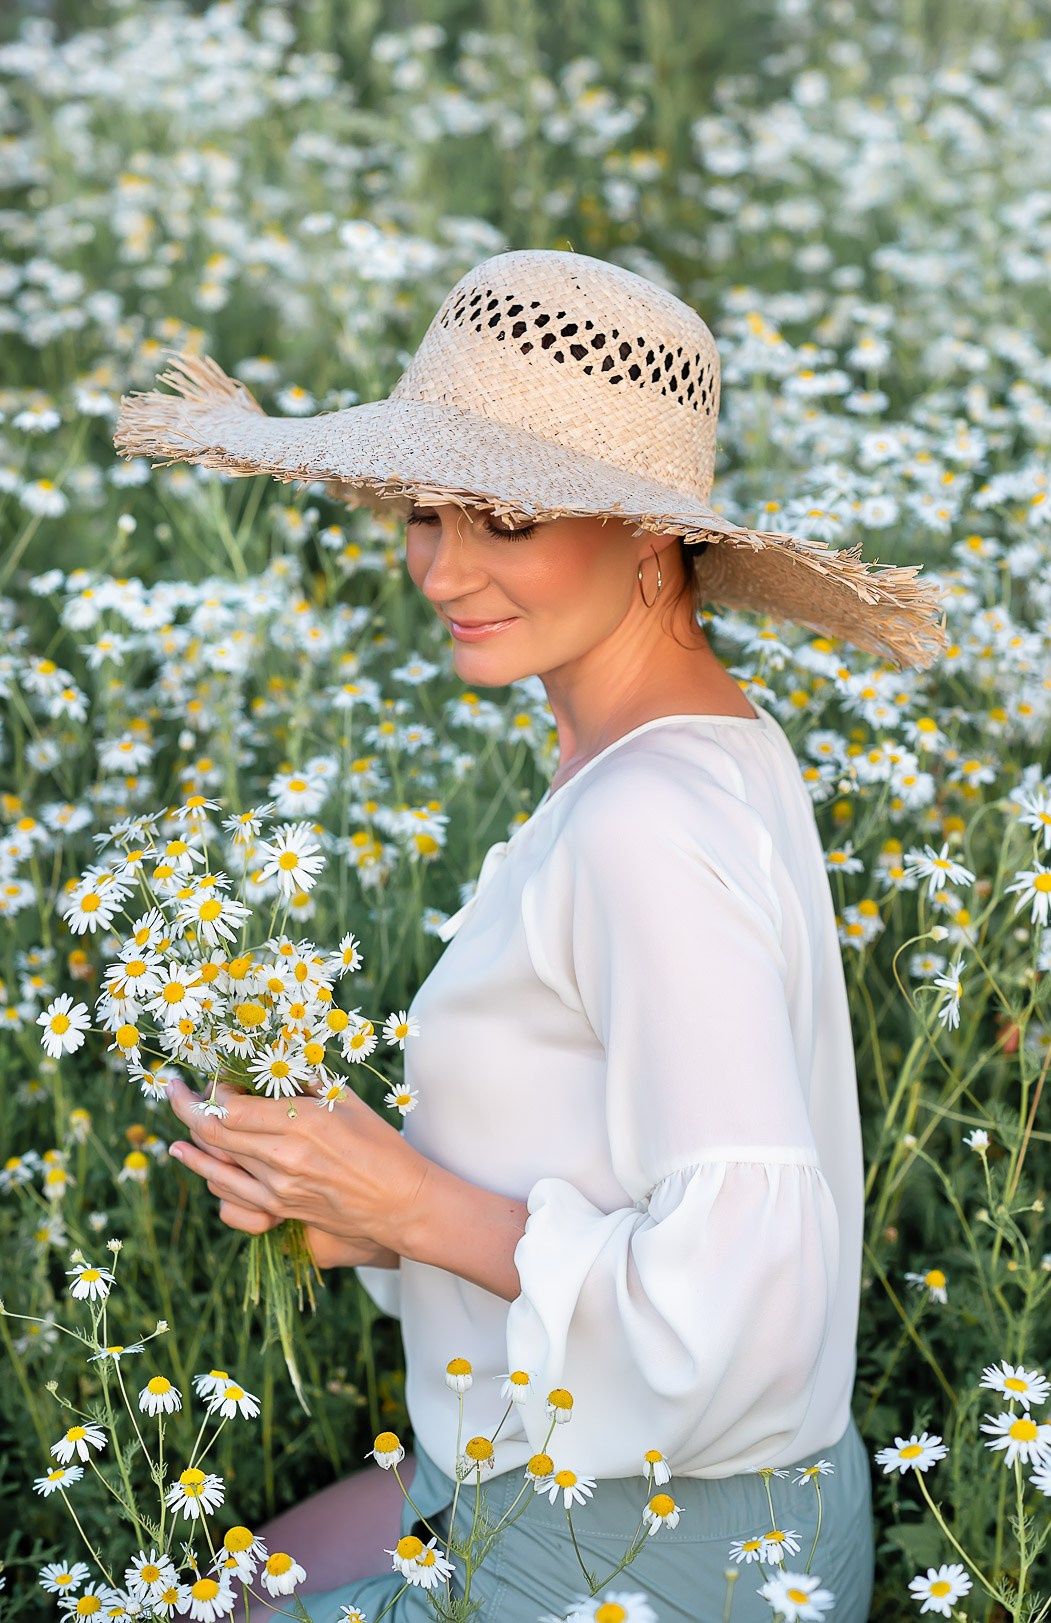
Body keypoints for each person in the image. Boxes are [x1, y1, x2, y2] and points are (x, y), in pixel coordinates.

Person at [114, 249, 947, 1623]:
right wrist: (361, 1218)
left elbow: (748, 1304)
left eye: (505, 517)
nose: (444, 569)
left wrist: (406, 1203)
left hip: (650, 1549)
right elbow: (615, 1154)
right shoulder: (681, 747)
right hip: (600, 1477)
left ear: (649, 534)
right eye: (423, 510)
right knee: (217, 1591)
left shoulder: (644, 822)